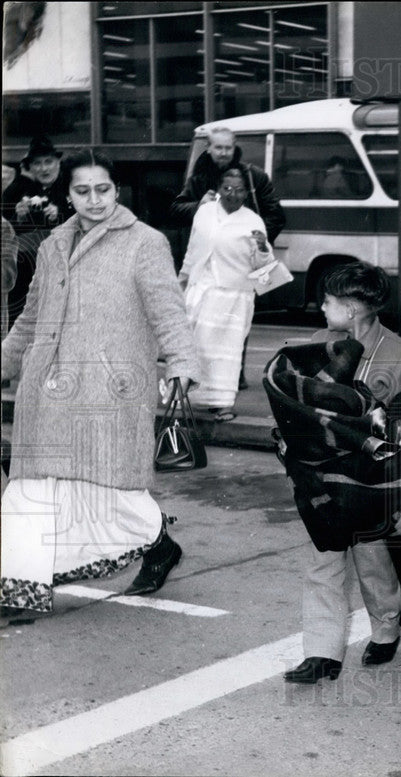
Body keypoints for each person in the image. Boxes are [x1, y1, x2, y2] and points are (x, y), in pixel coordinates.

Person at [0, 149, 199, 624]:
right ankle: (20, 591)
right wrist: (5, 361)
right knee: (30, 489)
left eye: (103, 189)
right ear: (67, 195)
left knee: (114, 492)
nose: (94, 200)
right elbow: (32, 316)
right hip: (45, 389)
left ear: (117, 190)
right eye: (83, 191)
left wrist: (181, 362)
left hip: (109, 390)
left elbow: (168, 310)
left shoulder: (145, 242)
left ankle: (160, 545)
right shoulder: (51, 246)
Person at [284, 260, 401, 684]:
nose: (321, 308)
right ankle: (322, 654)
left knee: (373, 560)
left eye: (327, 301)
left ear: (351, 310)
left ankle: (386, 627)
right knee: (322, 559)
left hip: (375, 482)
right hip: (323, 478)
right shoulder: (316, 344)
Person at [170, 127, 285, 390]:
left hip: (238, 264)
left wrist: (253, 240)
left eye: (228, 148)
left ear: (235, 148)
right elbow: (176, 208)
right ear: (208, 148)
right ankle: (202, 379)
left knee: (236, 323)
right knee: (199, 322)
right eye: (218, 147)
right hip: (207, 266)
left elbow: (276, 214)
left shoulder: (254, 177)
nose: (223, 153)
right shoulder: (198, 178)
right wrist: (197, 205)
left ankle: (234, 377)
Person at [178, 166, 273, 421]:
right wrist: (183, 282)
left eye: (239, 190)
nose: (233, 195)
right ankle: (190, 401)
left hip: (233, 297)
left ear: (247, 192)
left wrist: (262, 247)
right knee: (195, 349)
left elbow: (265, 267)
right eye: (227, 189)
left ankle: (222, 405)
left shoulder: (253, 221)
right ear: (218, 189)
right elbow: (193, 250)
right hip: (201, 291)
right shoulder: (205, 213)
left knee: (225, 355)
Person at [1, 135, 73, 327]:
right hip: (29, 266)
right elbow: (5, 226)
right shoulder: (21, 188)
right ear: (30, 167)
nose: (44, 168)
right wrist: (18, 216)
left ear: (58, 162)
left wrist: (60, 213)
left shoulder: (70, 186)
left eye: (49, 162)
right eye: (37, 164)